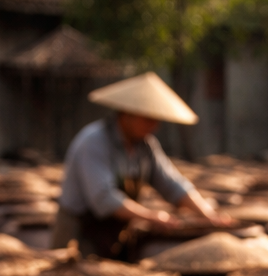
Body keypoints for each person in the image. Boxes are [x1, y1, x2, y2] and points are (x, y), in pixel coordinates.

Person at [53, 71, 231, 257]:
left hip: (114, 232)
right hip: (79, 233)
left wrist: (208, 215)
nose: (154, 126)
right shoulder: (94, 142)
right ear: (127, 114)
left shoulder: (146, 146)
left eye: (157, 120)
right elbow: (104, 199)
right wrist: (152, 216)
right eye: (148, 119)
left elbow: (172, 184)